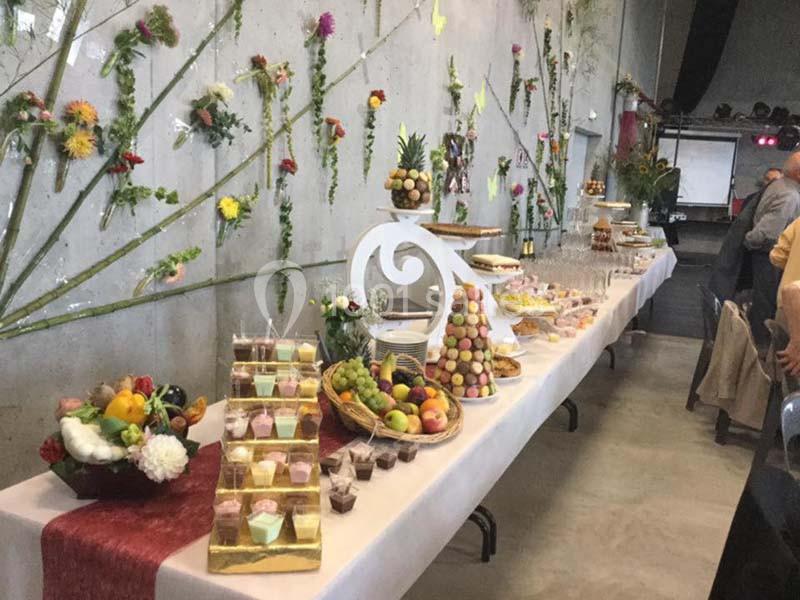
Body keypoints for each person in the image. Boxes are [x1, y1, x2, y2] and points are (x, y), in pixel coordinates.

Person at [745, 152, 800, 347]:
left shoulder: (779, 186)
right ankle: (760, 351)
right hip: (767, 256)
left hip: (768, 256)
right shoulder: (789, 195)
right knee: (765, 305)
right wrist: (751, 241)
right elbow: (769, 232)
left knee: (762, 301)